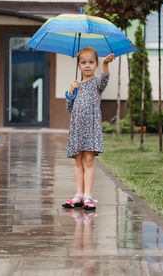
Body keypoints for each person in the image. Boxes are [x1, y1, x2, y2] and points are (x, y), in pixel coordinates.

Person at [62, 47, 114, 210]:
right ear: (78, 65)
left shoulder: (97, 84)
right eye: (83, 62)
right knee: (78, 161)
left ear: (96, 64)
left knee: (89, 161)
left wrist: (106, 64)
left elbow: (105, 78)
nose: (87, 65)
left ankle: (88, 196)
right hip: (77, 128)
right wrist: (71, 90)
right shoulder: (77, 86)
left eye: (91, 62)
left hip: (90, 128)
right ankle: (78, 195)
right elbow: (69, 107)